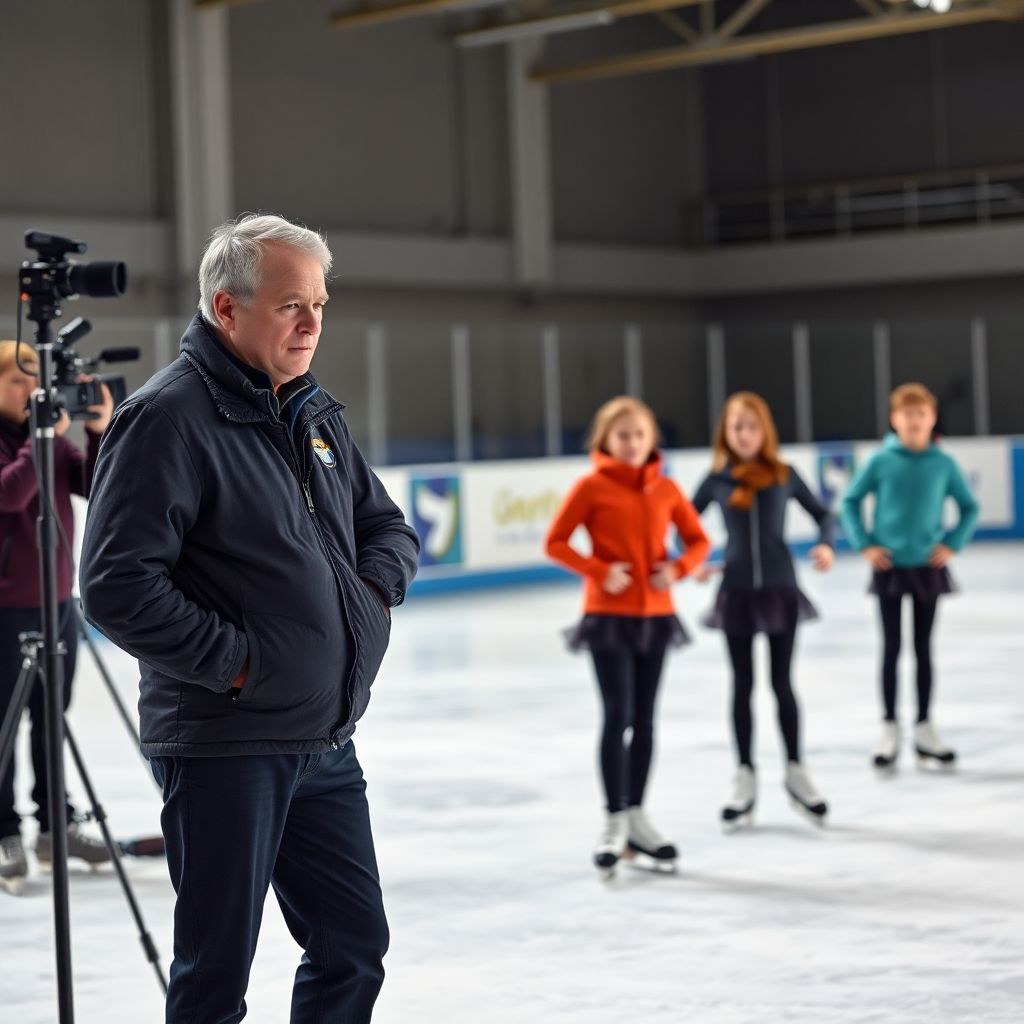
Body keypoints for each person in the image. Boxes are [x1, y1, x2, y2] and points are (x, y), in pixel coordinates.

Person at [80, 214, 420, 1023]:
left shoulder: (313, 413)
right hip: (224, 744)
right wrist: (242, 665)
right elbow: (116, 585)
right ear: (226, 309)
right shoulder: (166, 419)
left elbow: (389, 528)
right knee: (214, 977)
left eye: (320, 305)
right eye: (291, 305)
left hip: (325, 739)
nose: (312, 324)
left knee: (352, 950)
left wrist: (368, 600)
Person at [545, 396, 709, 877]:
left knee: (647, 719)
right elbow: (556, 541)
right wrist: (597, 569)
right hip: (608, 617)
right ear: (606, 441)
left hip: (656, 618)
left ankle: (638, 815)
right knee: (617, 715)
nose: (633, 443)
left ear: (651, 440)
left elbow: (699, 541)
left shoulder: (668, 490)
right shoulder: (591, 487)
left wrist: (677, 568)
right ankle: (614, 820)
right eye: (623, 436)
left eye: (639, 435)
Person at [0, 339, 114, 892]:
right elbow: (10, 496)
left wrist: (95, 432)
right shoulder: (24, 444)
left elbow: (98, 488)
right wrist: (42, 440)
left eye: (33, 379)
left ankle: (54, 826)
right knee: (2, 721)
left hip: (56, 604)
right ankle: (4, 832)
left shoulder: (48, 442)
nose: (31, 391)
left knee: (51, 719)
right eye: (19, 380)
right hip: (4, 609)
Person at [692, 392, 834, 828]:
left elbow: (822, 514)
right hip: (735, 591)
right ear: (726, 433)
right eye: (737, 427)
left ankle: (796, 770)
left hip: (780, 590)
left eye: (752, 427)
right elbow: (680, 523)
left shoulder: (784, 475)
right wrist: (693, 560)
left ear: (764, 431)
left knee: (781, 682)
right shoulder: (716, 479)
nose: (745, 435)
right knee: (742, 684)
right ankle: (744, 776)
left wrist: (825, 544)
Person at [841, 382, 979, 770]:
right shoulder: (881, 461)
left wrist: (953, 543)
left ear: (932, 419)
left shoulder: (943, 463)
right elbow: (850, 501)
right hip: (889, 568)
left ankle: (923, 726)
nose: (914, 421)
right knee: (891, 647)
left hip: (927, 569)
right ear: (894, 419)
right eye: (907, 415)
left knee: (923, 648)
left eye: (921, 414)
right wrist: (864, 543)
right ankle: (889, 726)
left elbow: (969, 507)